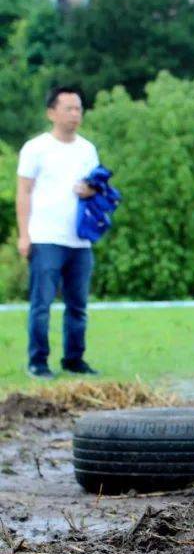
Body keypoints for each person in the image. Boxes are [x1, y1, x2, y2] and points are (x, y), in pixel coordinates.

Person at [16, 86, 101, 379]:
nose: (75, 114)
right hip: (45, 237)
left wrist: (90, 190)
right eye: (68, 108)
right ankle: (38, 361)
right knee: (42, 305)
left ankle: (74, 359)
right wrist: (24, 234)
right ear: (52, 113)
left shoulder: (87, 150)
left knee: (78, 305)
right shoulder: (36, 148)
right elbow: (24, 191)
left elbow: (96, 188)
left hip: (79, 239)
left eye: (78, 108)